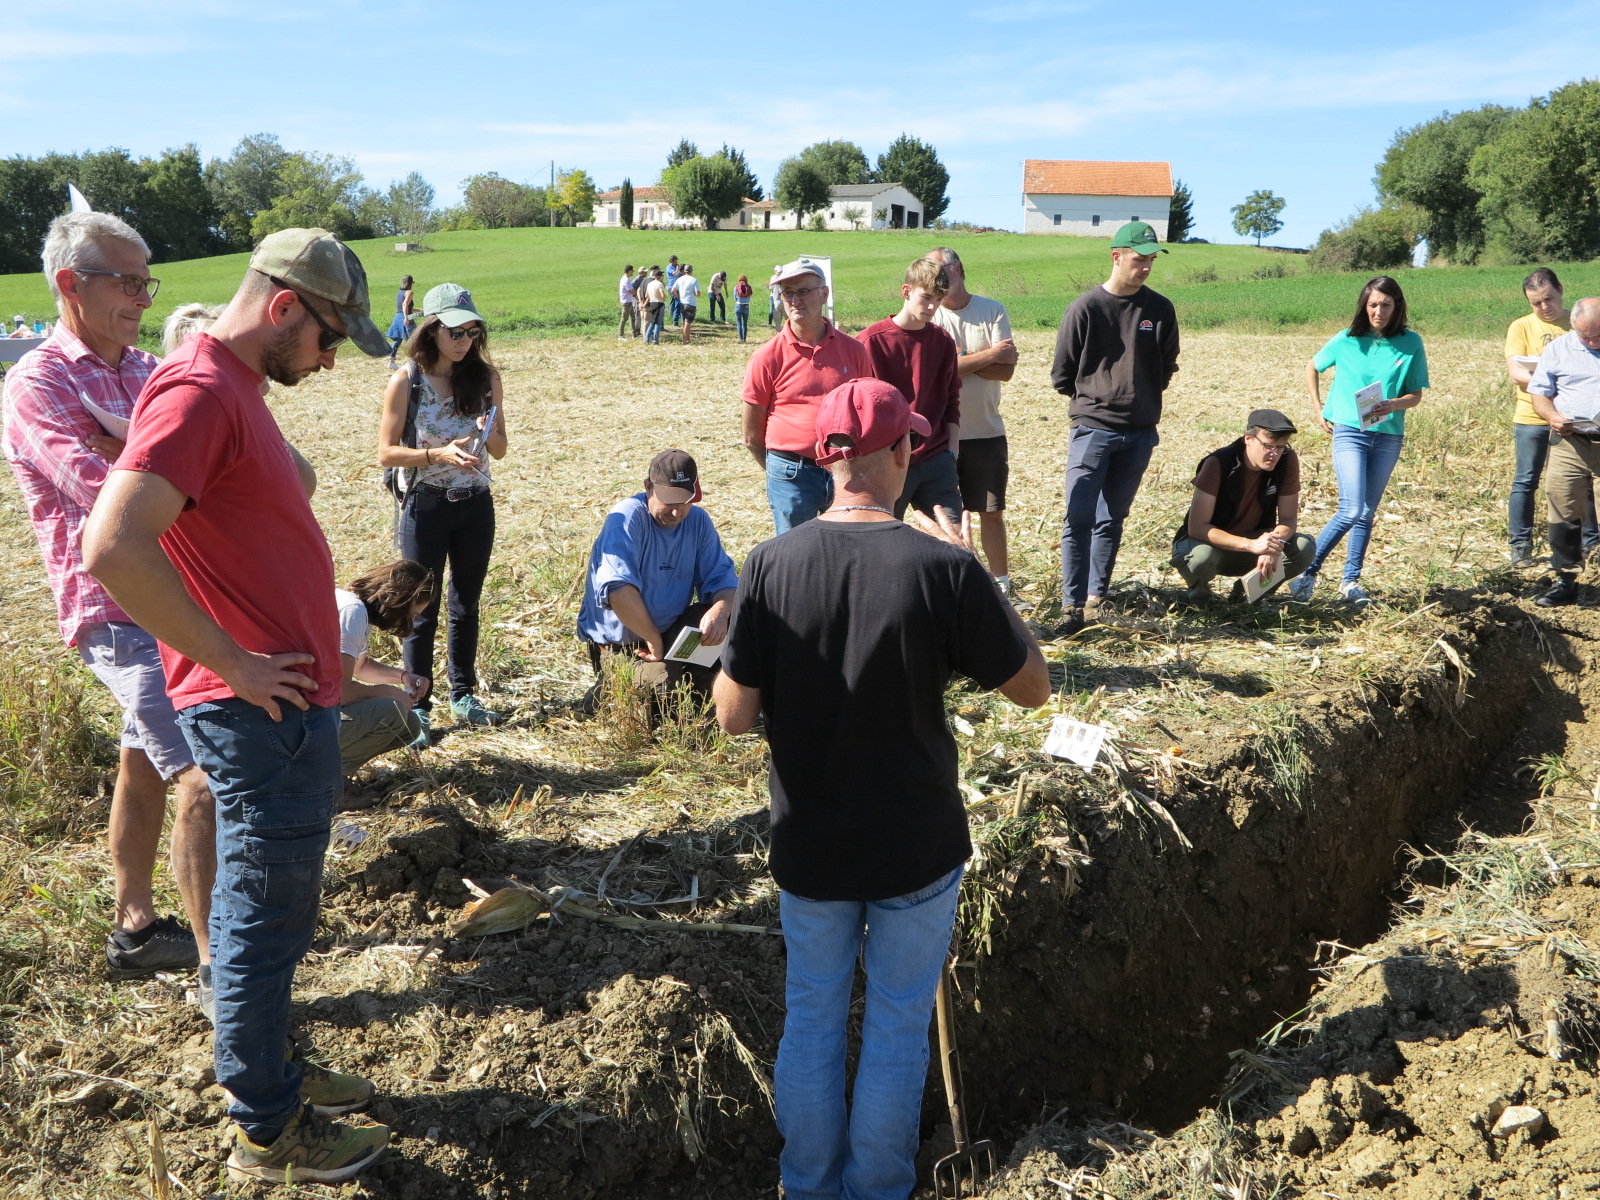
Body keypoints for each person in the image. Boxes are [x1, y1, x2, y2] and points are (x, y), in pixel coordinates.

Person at [82, 226, 393, 1183]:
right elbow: (114, 546)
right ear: (286, 306)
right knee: (261, 911)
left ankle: (276, 1070)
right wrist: (236, 664)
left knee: (280, 906)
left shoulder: (234, 389)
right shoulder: (199, 389)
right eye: (331, 335)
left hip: (282, 709)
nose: (335, 357)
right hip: (253, 709)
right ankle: (267, 1124)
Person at [713, 376, 1050, 1200]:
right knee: (898, 1025)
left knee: (815, 1020)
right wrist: (982, 584)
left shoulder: (770, 564)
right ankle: (879, 1189)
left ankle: (808, 1184)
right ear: (901, 453)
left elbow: (730, 717)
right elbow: (1033, 687)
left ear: (825, 458)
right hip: (917, 845)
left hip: (811, 842)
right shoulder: (942, 568)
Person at [1, 211, 211, 983]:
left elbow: (202, 470)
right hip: (117, 606)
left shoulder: (150, 369)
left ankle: (134, 928)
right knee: (201, 773)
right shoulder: (37, 382)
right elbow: (104, 497)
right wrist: (140, 466)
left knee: (144, 761)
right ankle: (223, 956)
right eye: (126, 281)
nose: (143, 298)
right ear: (69, 285)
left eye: (146, 280)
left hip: (175, 592)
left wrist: (132, 456)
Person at [379, 282, 509, 742]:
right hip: (425, 507)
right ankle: (419, 706)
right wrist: (437, 455)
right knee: (419, 609)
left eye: (472, 331)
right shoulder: (407, 380)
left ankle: (463, 693)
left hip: (475, 504)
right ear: (431, 329)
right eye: (454, 330)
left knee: (466, 603)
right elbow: (386, 453)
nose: (464, 340)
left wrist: (485, 426)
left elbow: (501, 448)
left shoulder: (486, 378)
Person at [1049, 220, 1180, 635]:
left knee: (1112, 519)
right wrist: (1100, 400)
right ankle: (1071, 608)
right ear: (1117, 256)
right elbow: (1062, 375)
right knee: (1078, 517)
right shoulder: (1085, 308)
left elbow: (1166, 366)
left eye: (1151, 261)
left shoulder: (1160, 310)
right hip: (1093, 430)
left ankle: (1096, 597)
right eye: (1139, 260)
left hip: (1140, 432)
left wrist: (1138, 399)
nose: (1146, 268)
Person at [1288, 276, 1429, 607]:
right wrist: (1318, 407)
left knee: (1367, 512)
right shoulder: (1347, 340)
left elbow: (1416, 394)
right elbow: (1312, 366)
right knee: (1352, 508)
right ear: (1364, 306)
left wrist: (1394, 404)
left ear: (1398, 307)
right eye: (1372, 305)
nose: (1378, 311)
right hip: (1349, 430)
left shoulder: (1411, 343)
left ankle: (1350, 581)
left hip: (1388, 435)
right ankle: (1305, 574)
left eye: (1385, 305)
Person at [576, 450, 739, 701]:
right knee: (660, 697)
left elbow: (724, 581)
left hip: (673, 633)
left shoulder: (698, 521)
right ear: (648, 487)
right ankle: (606, 692)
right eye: (669, 501)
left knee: (736, 632)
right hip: (629, 643)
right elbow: (619, 592)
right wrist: (653, 639)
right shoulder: (628, 517)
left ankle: (698, 693)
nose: (677, 512)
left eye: (684, 501)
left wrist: (721, 610)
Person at [741, 260, 874, 534]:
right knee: (796, 557)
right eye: (787, 292)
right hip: (791, 472)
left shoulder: (855, 351)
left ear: (824, 294)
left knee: (844, 548)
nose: (794, 300)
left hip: (845, 469)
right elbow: (751, 434)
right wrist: (778, 472)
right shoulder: (767, 356)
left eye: (803, 291)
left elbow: (866, 412)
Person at [927, 246, 1020, 598]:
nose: (935, 279)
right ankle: (953, 591)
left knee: (991, 513)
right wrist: (989, 356)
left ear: (959, 270)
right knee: (945, 519)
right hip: (940, 434)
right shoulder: (930, 316)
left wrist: (961, 361)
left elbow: (1007, 370)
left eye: (940, 271)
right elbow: (937, 372)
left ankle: (1002, 587)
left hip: (986, 432)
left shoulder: (992, 310)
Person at [1171, 409, 1315, 603]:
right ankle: (1200, 601)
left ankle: (1247, 596)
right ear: (1248, 438)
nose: (1275, 454)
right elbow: (1197, 528)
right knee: (1200, 558)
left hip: (1254, 543)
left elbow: (1289, 519)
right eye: (1268, 446)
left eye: (1281, 447)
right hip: (1212, 545)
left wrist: (1272, 545)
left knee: (1303, 547)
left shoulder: (1287, 460)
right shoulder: (1218, 463)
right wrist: (1251, 545)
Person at [858, 257, 963, 522]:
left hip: (937, 460)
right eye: (926, 297)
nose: (932, 307)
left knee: (954, 546)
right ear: (906, 291)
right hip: (887, 462)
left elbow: (952, 397)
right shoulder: (869, 342)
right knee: (884, 546)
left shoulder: (943, 341)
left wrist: (952, 449)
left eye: (938, 300)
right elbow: (859, 406)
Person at [1505, 268, 1597, 567]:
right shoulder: (1521, 327)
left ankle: (1591, 543)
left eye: (1549, 299)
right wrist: (1547, 384)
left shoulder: (1584, 318)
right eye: (1536, 303)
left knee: (1582, 484)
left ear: (1561, 290)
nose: (1545, 307)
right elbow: (1516, 371)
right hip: (1533, 415)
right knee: (1527, 480)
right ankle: (1521, 545)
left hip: (1580, 425)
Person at [336, 560, 435, 806]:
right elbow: (339, 690)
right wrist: (390, 694)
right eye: (412, 613)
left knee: (409, 724)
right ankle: (325, 784)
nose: (411, 621)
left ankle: (327, 776)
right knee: (392, 712)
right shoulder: (352, 612)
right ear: (399, 600)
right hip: (298, 718)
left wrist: (403, 677)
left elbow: (360, 667)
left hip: (306, 711)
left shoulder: (355, 609)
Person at [1526, 297, 1600, 607]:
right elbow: (1540, 396)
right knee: (1562, 511)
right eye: (1586, 336)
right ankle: (1565, 581)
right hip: (1571, 441)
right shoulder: (1558, 349)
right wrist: (1553, 417)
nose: (1593, 341)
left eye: (1598, 334)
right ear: (1574, 328)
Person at [385, 274, 415, 369]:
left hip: (398, 316)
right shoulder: (410, 292)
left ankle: (391, 361)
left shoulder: (400, 292)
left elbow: (407, 307)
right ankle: (416, 361)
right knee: (415, 338)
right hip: (405, 318)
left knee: (398, 339)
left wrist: (421, 310)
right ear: (411, 283)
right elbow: (405, 304)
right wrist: (406, 318)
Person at [674, 264, 700, 344]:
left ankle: (687, 338)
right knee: (688, 323)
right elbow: (697, 293)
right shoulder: (694, 280)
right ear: (691, 271)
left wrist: (678, 297)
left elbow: (673, 290)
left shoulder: (680, 279)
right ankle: (685, 340)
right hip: (690, 303)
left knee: (684, 322)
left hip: (682, 302)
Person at [644, 268, 667, 345]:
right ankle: (655, 340)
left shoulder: (650, 284)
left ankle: (646, 338)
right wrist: (664, 296)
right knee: (658, 323)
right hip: (659, 303)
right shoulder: (659, 284)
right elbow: (662, 295)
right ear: (660, 277)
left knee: (652, 322)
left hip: (652, 303)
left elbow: (646, 295)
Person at [618, 264, 640, 340]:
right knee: (624, 319)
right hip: (626, 302)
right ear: (629, 271)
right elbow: (630, 290)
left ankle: (634, 335)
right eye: (632, 271)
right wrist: (637, 292)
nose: (633, 272)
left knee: (633, 318)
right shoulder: (626, 280)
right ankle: (621, 335)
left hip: (629, 301)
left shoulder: (626, 278)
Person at [734, 273, 753, 343]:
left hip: (738, 305)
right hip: (746, 306)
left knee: (739, 322)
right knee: (745, 323)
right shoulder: (749, 287)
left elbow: (734, 298)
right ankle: (744, 339)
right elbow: (749, 297)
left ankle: (741, 338)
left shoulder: (736, 287)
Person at [666, 256, 682, 326]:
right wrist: (678, 269)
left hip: (676, 286)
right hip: (671, 286)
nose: (677, 262)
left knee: (674, 301)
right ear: (672, 261)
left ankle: (674, 315)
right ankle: (673, 316)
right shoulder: (669, 267)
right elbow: (674, 273)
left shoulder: (675, 267)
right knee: (675, 301)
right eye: (675, 261)